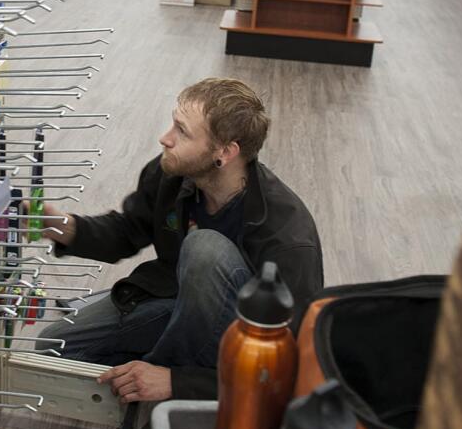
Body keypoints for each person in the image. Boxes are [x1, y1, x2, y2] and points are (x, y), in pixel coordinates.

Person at [36, 77, 323, 406]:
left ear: (225, 152)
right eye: (173, 124)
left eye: (182, 131)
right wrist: (60, 225)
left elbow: (290, 363)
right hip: (173, 302)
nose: (165, 138)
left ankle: (187, 388)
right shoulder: (173, 174)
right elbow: (127, 231)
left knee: (205, 249)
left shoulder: (287, 236)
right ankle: (163, 378)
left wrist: (179, 382)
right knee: (53, 350)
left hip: (242, 342)